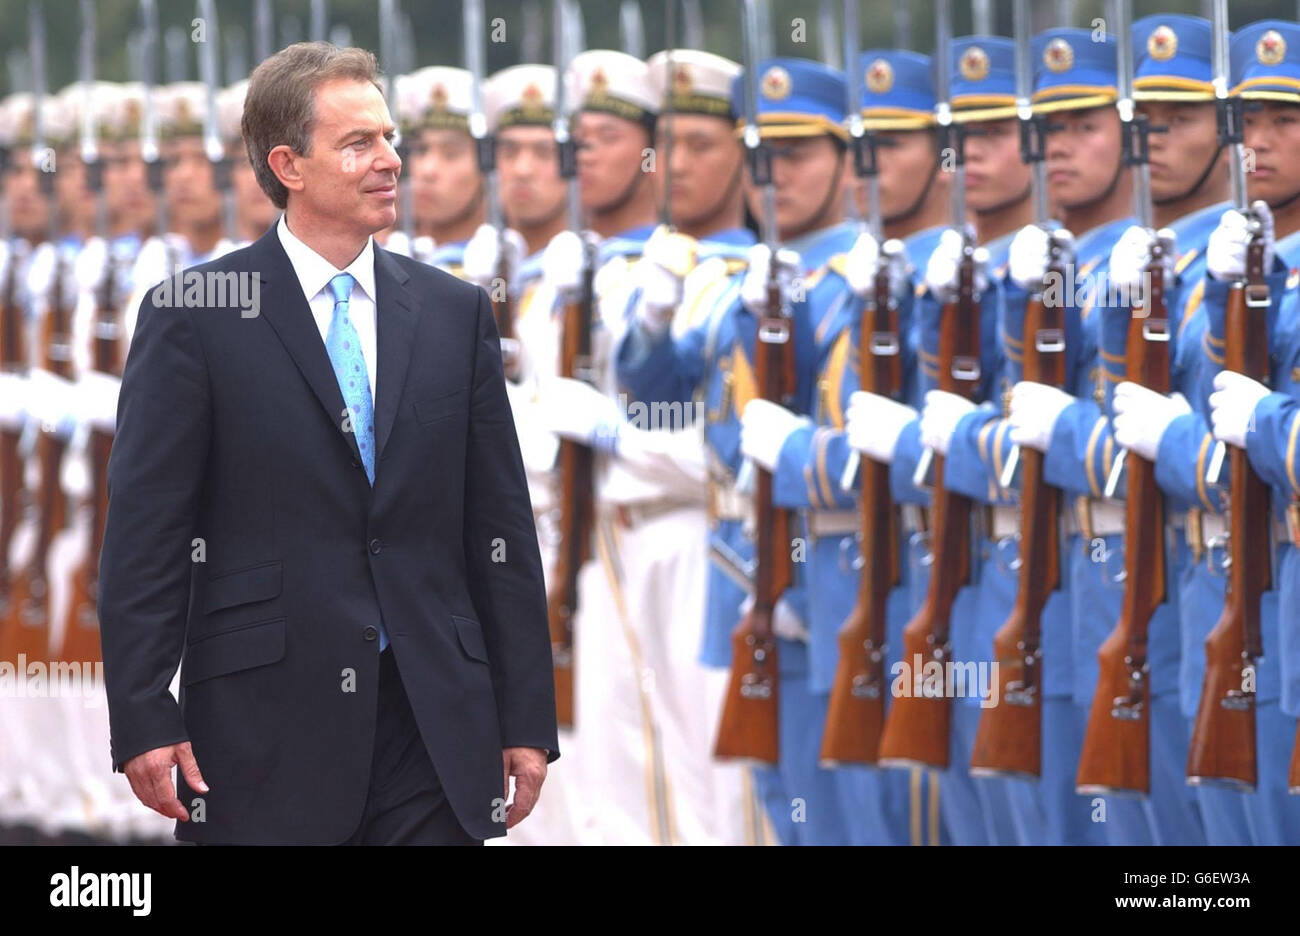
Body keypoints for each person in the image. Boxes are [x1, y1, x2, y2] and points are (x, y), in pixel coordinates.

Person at [97, 41, 557, 846]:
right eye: (359, 144)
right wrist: (141, 713)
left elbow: (499, 529)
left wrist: (526, 717)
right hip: (261, 730)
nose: (390, 161)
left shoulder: (454, 314)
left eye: (388, 139)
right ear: (289, 165)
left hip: (433, 723)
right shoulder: (196, 314)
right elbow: (147, 536)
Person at [1196, 19, 1300, 846]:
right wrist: (1221, 295)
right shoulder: (1261, 269)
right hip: (1269, 588)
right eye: (1247, 123)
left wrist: (1267, 425)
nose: (1256, 144)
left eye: (1285, 122)